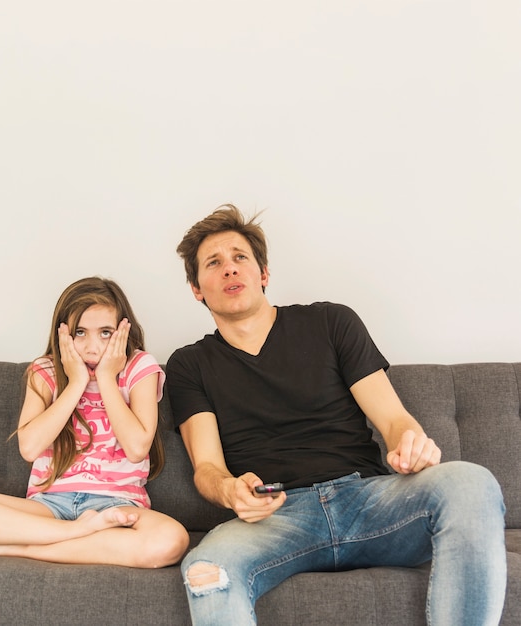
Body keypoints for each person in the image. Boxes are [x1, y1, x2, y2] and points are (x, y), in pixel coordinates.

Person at [165, 205, 507, 625]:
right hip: (277, 517)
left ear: (264, 273)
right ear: (197, 288)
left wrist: (410, 442)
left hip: (367, 500)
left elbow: (395, 421)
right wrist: (229, 489)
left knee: (472, 482)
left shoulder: (331, 322)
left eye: (240, 258)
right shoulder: (189, 365)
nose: (230, 270)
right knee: (206, 569)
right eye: (213, 263)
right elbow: (207, 468)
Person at [0, 276, 189, 567]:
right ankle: (75, 533)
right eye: (80, 332)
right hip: (47, 506)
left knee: (170, 541)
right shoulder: (46, 370)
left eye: (105, 333)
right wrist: (76, 381)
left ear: (123, 331)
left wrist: (105, 377)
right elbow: (29, 448)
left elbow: (137, 447)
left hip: (117, 506)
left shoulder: (139, 366)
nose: (93, 347)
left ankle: (22, 547)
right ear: (62, 334)